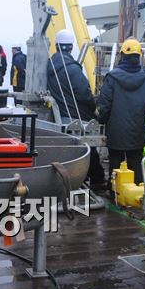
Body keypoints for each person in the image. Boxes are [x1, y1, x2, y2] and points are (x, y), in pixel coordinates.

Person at [47, 29, 105, 189]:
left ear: (57, 46)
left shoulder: (49, 67)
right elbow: (84, 94)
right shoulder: (73, 69)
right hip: (76, 116)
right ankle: (97, 179)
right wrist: (94, 108)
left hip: (60, 116)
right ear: (71, 47)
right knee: (89, 145)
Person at [97, 38, 145, 184]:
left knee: (116, 163)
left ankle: (116, 192)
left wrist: (101, 120)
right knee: (136, 163)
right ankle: (139, 193)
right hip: (137, 129)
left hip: (116, 130)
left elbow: (104, 105)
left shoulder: (112, 77)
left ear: (122, 56)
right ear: (139, 56)